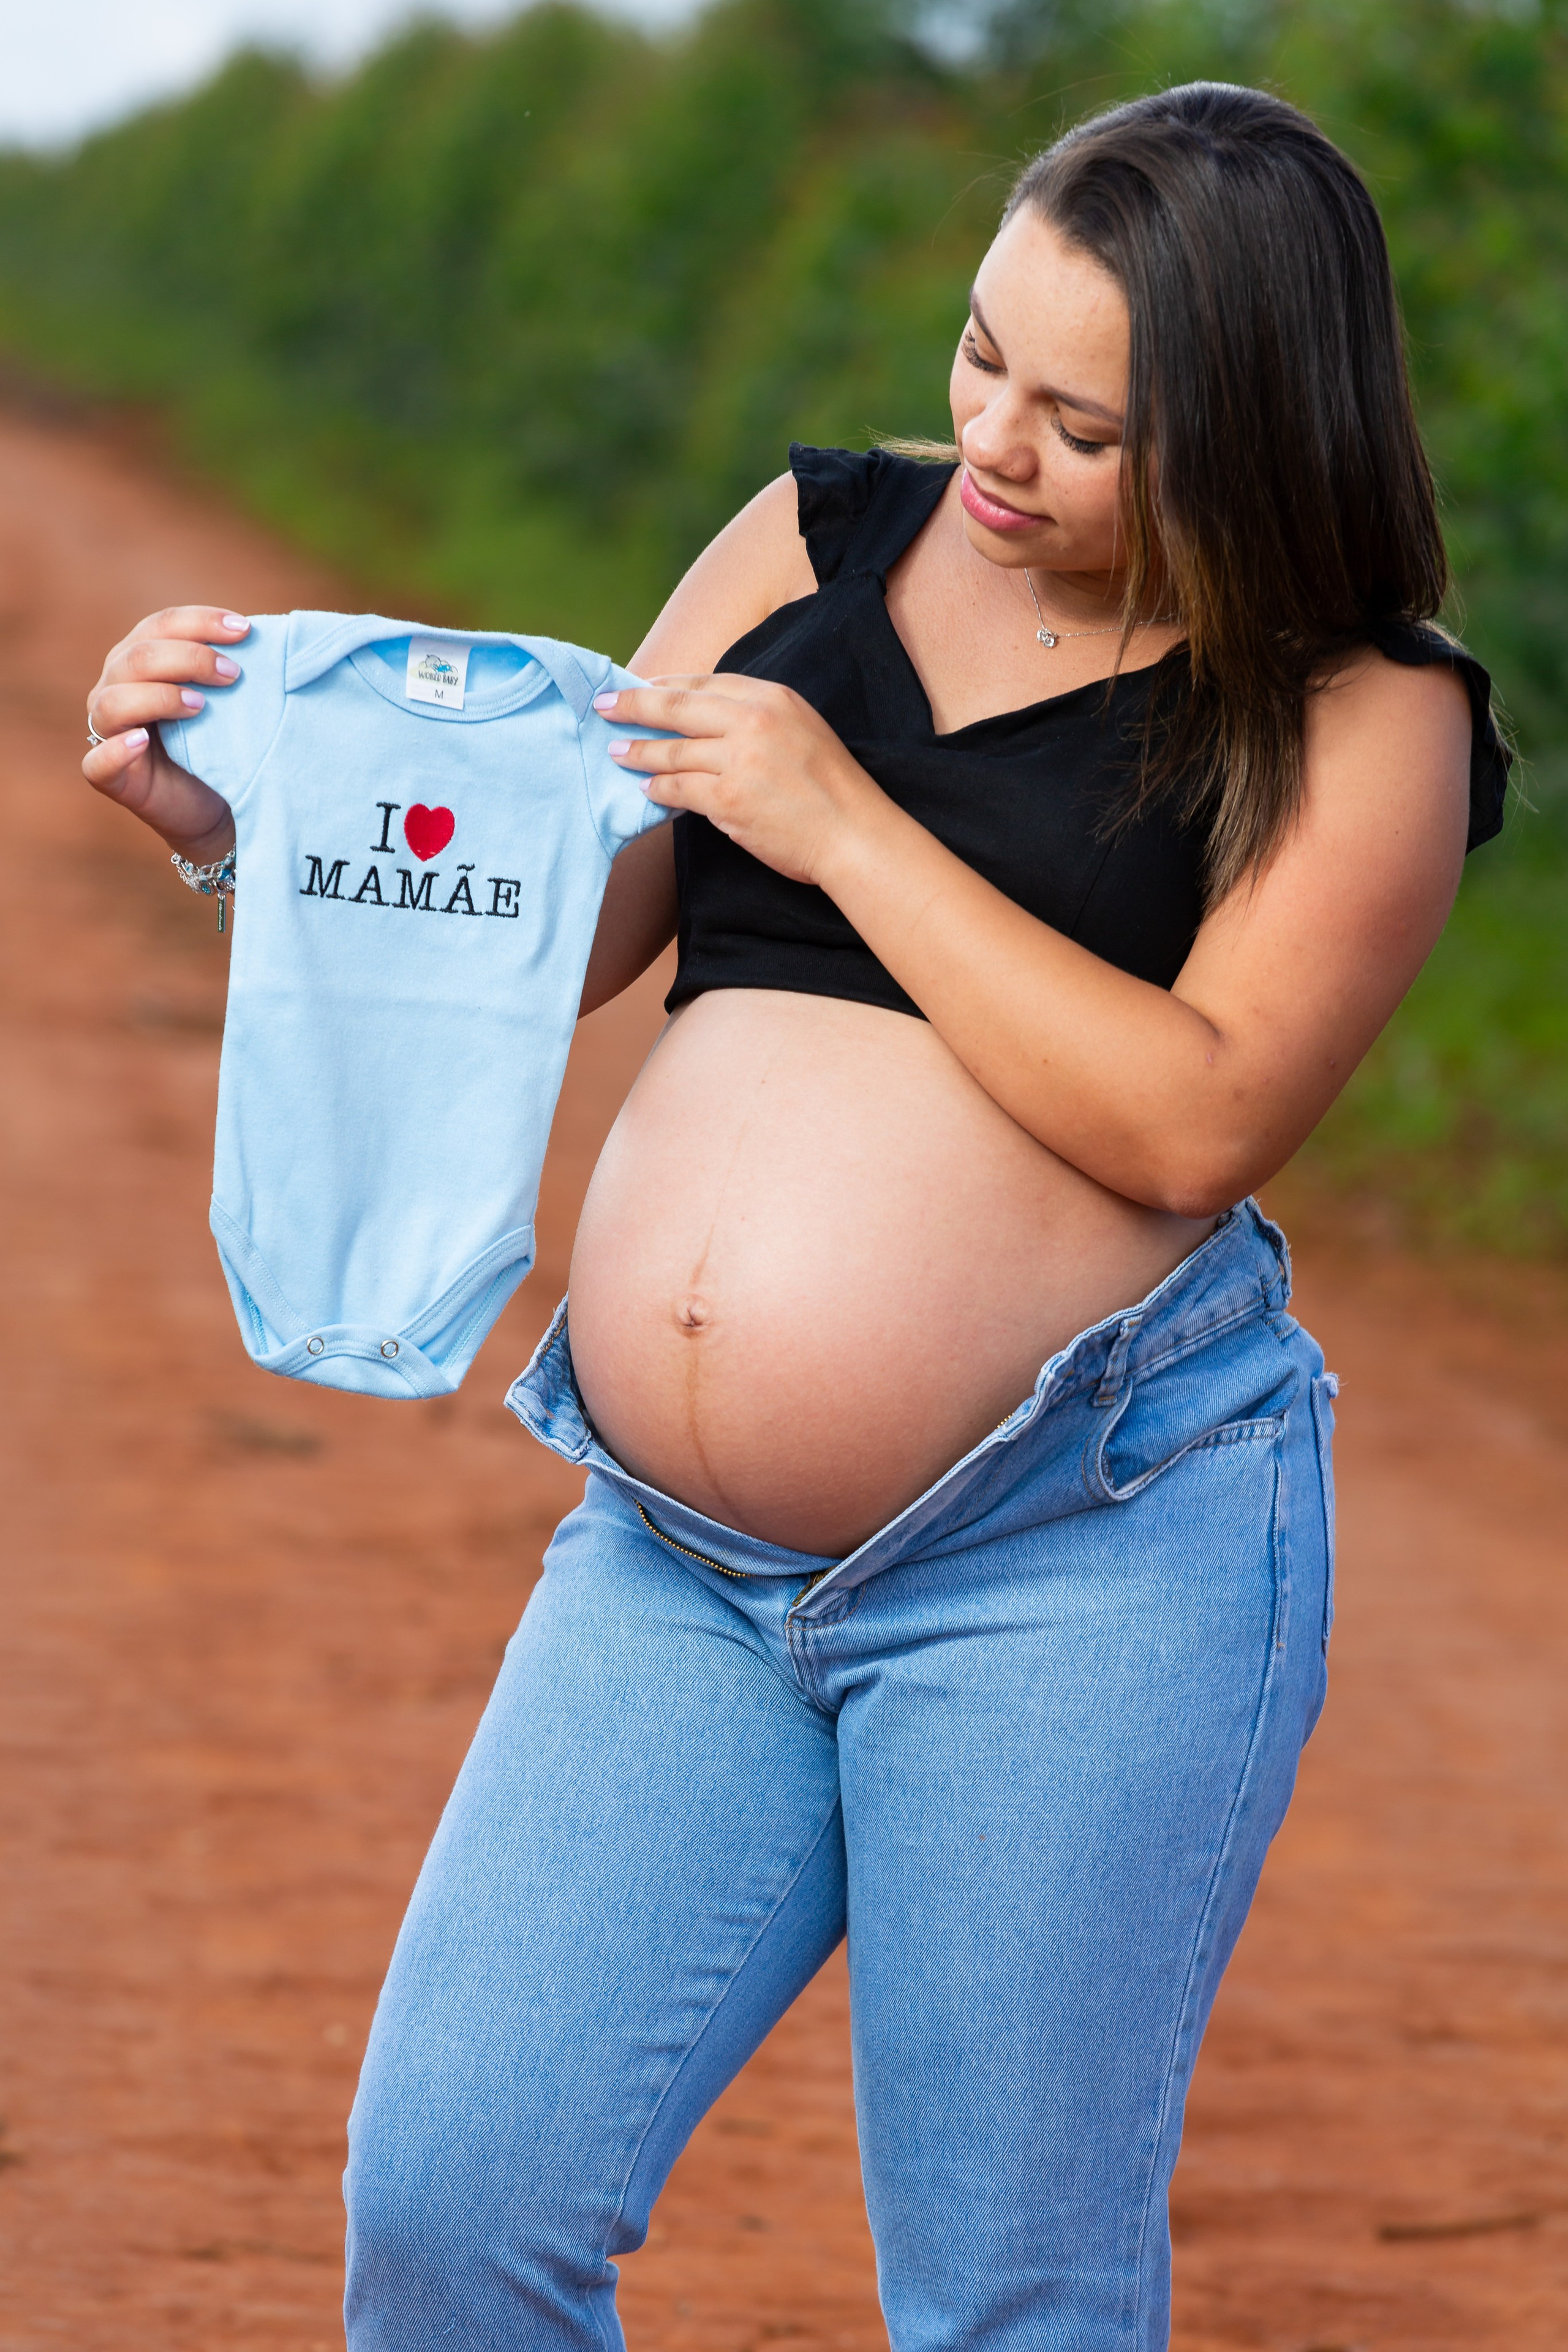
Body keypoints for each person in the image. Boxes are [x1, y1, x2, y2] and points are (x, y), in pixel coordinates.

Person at [81, 81, 1507, 2352]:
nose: (995, 445)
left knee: (1011, 2298)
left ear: (1254, 438)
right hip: (674, 1557)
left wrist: (847, 826)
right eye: (983, 358)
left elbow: (1198, 1120)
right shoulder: (812, 540)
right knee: (452, 2199)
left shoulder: (1364, 711)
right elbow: (569, 934)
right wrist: (245, 831)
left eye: (1085, 425)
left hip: (1084, 1555)